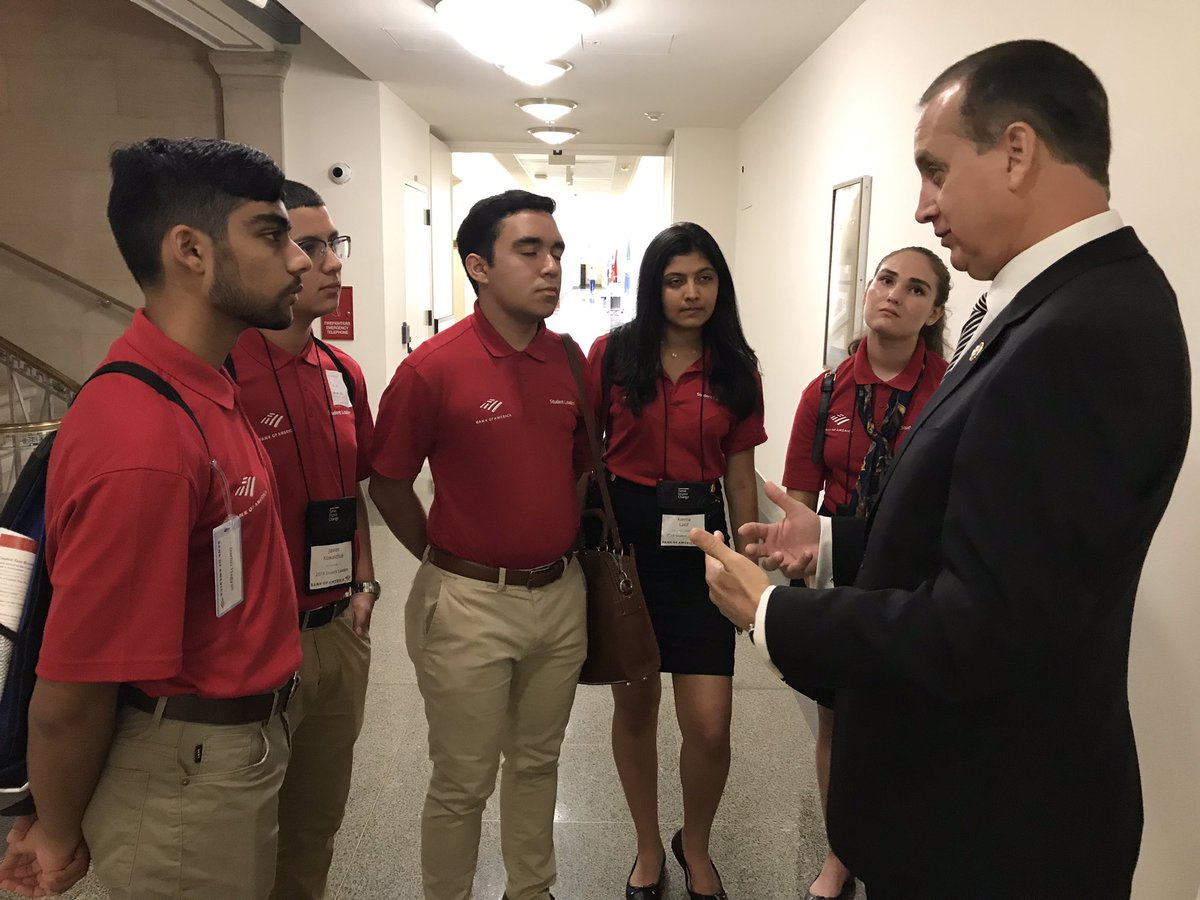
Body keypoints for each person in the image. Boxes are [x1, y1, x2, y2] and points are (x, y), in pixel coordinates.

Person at [691, 39, 1190, 898]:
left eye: (934, 170)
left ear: (1019, 151)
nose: (922, 207)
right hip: (972, 807)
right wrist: (837, 543)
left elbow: (983, 631)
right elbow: (987, 534)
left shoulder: (1083, 334)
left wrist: (773, 614)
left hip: (998, 835)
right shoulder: (1049, 306)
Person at [0, 138, 310, 898]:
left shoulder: (203, 387)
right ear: (191, 252)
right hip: (183, 779)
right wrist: (58, 831)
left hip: (229, 753)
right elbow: (71, 694)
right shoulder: (144, 436)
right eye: (271, 234)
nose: (300, 259)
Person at [369, 189, 588, 900]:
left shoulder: (570, 363)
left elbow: (581, 470)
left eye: (556, 250)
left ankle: (533, 890)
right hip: (467, 604)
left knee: (538, 763)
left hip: (559, 598)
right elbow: (389, 483)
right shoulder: (431, 370)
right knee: (463, 780)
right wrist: (444, 557)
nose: (551, 265)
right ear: (479, 266)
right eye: (530, 250)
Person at [586, 222, 765, 900]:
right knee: (635, 707)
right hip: (627, 550)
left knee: (710, 722)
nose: (691, 293)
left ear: (720, 284)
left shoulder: (736, 368)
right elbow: (586, 453)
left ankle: (694, 844)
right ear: (653, 286)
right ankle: (644, 849)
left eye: (704, 278)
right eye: (675, 279)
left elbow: (741, 476)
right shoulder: (613, 355)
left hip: (704, 551)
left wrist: (751, 568)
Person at [780, 247, 949, 900]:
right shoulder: (825, 394)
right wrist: (791, 547)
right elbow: (800, 501)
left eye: (916, 289)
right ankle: (840, 854)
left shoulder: (952, 390)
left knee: (909, 722)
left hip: (919, 580)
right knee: (838, 724)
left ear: (933, 312)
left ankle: (903, 850)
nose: (894, 295)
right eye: (886, 280)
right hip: (841, 575)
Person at [227, 179, 378, 900]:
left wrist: (366, 583)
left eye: (333, 245)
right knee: (244, 841)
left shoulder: (343, 374)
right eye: (309, 246)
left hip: (336, 631)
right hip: (254, 645)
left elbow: (352, 492)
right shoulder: (221, 375)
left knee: (315, 826)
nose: (331, 264)